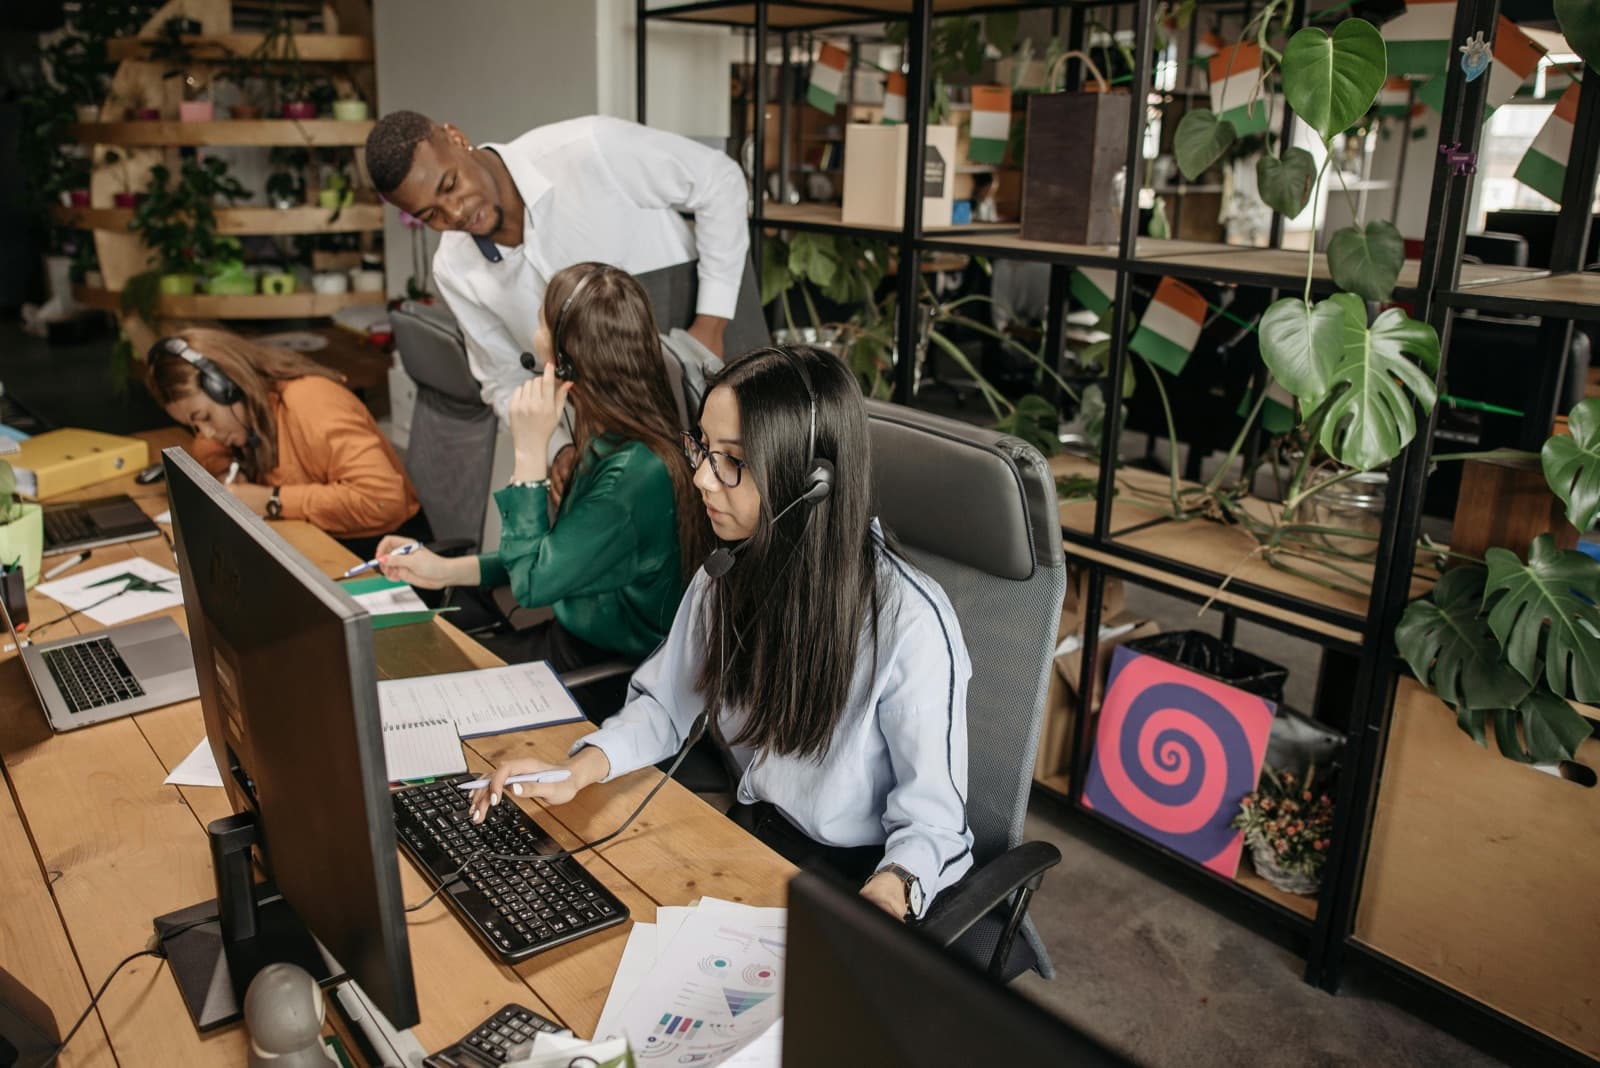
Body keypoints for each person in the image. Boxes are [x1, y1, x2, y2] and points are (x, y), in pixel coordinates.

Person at [468, 346, 975, 922]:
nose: (703, 479)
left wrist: (885, 898)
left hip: (857, 877)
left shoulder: (909, 624)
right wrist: (577, 770)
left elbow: (935, 825)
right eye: (702, 450)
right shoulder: (730, 571)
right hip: (751, 838)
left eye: (732, 460)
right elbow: (665, 705)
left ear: (811, 480)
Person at [375, 263, 711, 678]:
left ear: (566, 357)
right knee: (412, 645)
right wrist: (443, 569)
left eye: (541, 321)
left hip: (608, 671)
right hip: (572, 640)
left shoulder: (635, 475)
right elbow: (551, 555)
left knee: (419, 667)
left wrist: (530, 451)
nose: (535, 332)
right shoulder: (610, 440)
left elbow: (532, 584)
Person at [364, 111, 768, 428]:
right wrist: (557, 450)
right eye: (431, 214)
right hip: (622, 434)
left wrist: (710, 325)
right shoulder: (455, 269)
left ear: (456, 138)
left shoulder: (588, 149)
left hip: (717, 360)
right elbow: (503, 378)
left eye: (450, 185)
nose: (455, 213)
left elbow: (720, 180)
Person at [144, 328, 428, 560]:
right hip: (320, 545)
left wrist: (272, 500)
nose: (208, 432)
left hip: (385, 556)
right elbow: (207, 447)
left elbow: (384, 501)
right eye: (195, 425)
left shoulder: (312, 403)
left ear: (227, 386)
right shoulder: (251, 411)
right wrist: (225, 469)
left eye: (205, 417)